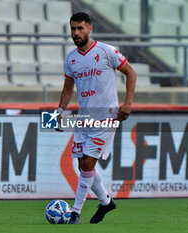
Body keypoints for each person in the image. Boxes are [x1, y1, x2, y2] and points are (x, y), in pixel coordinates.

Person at [55, 12, 137, 224]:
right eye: (73, 28)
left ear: (90, 29)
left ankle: (75, 212)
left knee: (89, 162)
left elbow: (131, 73)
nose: (76, 32)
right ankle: (106, 202)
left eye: (80, 28)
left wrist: (127, 103)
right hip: (83, 118)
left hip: (106, 117)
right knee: (83, 165)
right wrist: (58, 113)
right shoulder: (70, 58)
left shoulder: (106, 51)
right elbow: (67, 87)